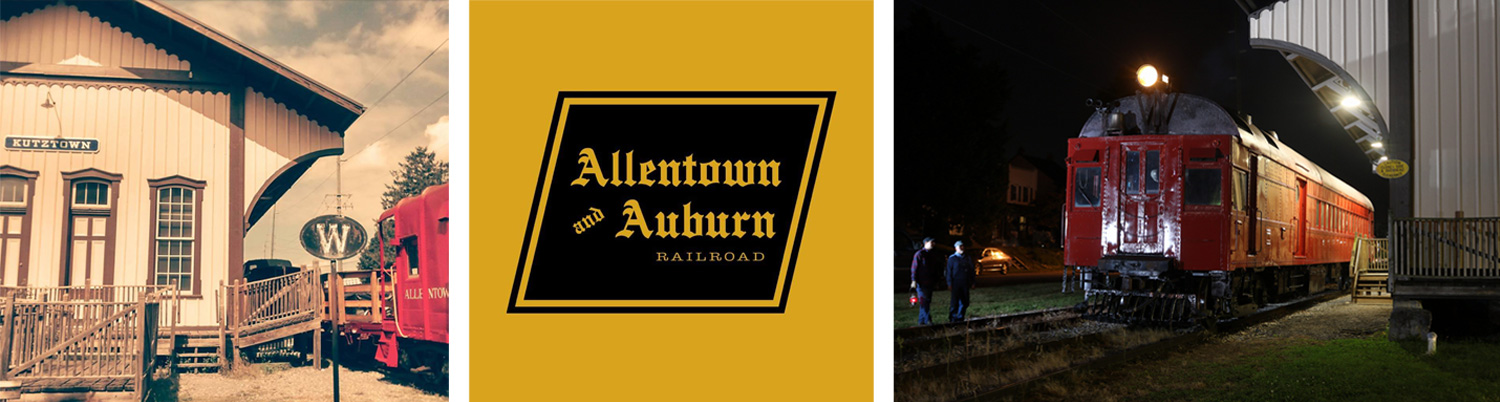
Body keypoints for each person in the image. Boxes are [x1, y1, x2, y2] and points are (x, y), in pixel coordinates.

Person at [910, 237, 943, 325]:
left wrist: (936, 281)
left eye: (934, 242)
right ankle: (928, 320)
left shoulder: (932, 255)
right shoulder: (919, 254)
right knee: (924, 302)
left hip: (930, 282)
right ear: (926, 243)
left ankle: (921, 323)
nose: (933, 244)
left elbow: (935, 269)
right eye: (931, 242)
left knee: (926, 302)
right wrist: (914, 280)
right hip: (921, 283)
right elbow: (914, 268)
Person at [946, 240, 977, 322]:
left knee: (965, 301)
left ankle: (960, 317)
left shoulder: (967, 258)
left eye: (962, 246)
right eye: (960, 247)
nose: (962, 248)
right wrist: (949, 283)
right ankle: (952, 318)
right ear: (956, 248)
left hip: (965, 283)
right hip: (955, 283)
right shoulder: (952, 259)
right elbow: (948, 272)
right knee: (955, 302)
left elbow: (971, 271)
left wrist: (973, 282)